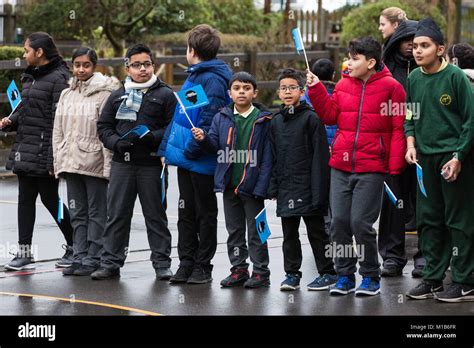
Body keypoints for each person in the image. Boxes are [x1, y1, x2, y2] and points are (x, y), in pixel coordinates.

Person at [307, 37, 407, 296]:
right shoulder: (341, 85)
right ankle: (345, 276)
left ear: (371, 62)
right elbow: (329, 116)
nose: (348, 63)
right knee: (339, 222)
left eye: (354, 58)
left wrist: (394, 165)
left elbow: (398, 128)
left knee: (360, 223)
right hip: (340, 164)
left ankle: (371, 275)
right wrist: (317, 90)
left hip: (373, 167)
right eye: (348, 58)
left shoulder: (393, 88)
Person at [91, 44, 176, 280]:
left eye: (147, 64)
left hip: (152, 165)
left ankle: (161, 264)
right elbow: (104, 127)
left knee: (155, 215)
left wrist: (154, 137)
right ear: (127, 67)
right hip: (122, 165)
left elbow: (173, 127)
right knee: (117, 214)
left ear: (153, 65)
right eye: (137, 65)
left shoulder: (166, 94)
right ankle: (110, 263)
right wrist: (116, 143)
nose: (143, 69)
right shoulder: (117, 95)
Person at [404, 18, 474, 303]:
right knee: (429, 219)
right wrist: (410, 144)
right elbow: (410, 115)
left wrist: (458, 156)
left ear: (441, 49)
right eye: (415, 46)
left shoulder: (456, 77)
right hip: (424, 161)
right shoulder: (413, 78)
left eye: (425, 46)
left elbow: (471, 121)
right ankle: (433, 278)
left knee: (458, 220)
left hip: (453, 158)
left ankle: (465, 280)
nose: (418, 51)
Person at [158, 24, 232, 284]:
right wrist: (167, 149)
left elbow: (209, 120)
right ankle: (186, 261)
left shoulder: (211, 79)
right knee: (185, 212)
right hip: (188, 159)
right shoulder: (197, 75)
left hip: (201, 159)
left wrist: (189, 151)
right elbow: (184, 116)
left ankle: (203, 265)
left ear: (192, 51)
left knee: (204, 213)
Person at [191, 71, 273, 288]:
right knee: (234, 230)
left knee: (257, 230)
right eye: (237, 88)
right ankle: (239, 269)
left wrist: (263, 185)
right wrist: (203, 139)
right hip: (229, 184)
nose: (241, 92)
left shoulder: (264, 120)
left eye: (246, 88)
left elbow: (267, 157)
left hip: (253, 186)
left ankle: (261, 271)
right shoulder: (222, 117)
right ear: (230, 93)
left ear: (255, 93)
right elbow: (216, 146)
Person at [0, 32, 74, 271]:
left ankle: (75, 245)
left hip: (45, 151)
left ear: (39, 52)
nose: (24, 55)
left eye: (26, 50)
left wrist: (53, 158)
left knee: (51, 200)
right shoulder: (31, 77)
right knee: (25, 201)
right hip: (26, 147)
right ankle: (24, 253)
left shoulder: (60, 79)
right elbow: (26, 110)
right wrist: (11, 122)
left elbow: (58, 121)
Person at [268, 68, 336, 291]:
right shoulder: (276, 121)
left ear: (302, 90)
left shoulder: (311, 118)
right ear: (278, 92)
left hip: (309, 186)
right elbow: (273, 156)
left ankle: (327, 272)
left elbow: (320, 157)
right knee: (289, 234)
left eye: (292, 88)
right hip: (287, 188)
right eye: (283, 88)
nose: (287, 92)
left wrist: (320, 191)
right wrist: (273, 185)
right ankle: (292, 274)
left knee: (316, 232)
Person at [53, 47, 119, 276]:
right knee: (77, 212)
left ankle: (95, 256)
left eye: (86, 65)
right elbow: (57, 131)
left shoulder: (104, 94)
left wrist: (108, 166)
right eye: (77, 64)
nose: (81, 69)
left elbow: (105, 132)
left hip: (94, 163)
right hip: (71, 162)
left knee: (97, 213)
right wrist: (58, 160)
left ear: (94, 66)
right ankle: (79, 256)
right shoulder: (66, 94)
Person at [378, 19, 420, 278]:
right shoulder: (385, 71)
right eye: (407, 41)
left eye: (417, 43)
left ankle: (425, 257)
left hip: (422, 147)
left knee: (425, 204)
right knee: (393, 203)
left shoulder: (428, 71)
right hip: (392, 147)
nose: (411, 47)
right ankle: (393, 257)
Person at [302, 58, 337, 236]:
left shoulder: (305, 97)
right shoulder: (339, 93)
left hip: (314, 151)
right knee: (333, 189)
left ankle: (323, 224)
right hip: (335, 149)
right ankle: (332, 224)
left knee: (317, 187)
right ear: (333, 75)